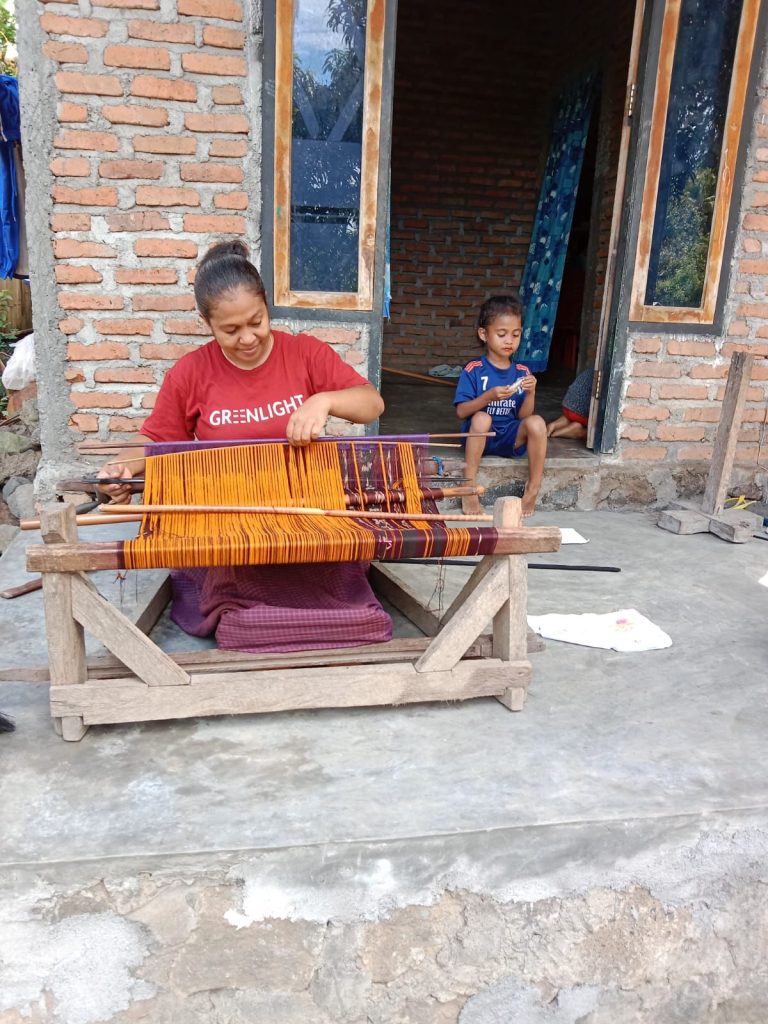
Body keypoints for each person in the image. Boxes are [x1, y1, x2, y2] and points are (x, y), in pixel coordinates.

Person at [98, 239, 389, 652]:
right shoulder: (191, 373)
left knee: (339, 589)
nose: (248, 338)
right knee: (234, 584)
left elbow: (371, 402)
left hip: (307, 512)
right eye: (230, 330)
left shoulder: (305, 354)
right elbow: (158, 441)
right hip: (232, 517)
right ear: (207, 323)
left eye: (257, 321)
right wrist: (121, 468)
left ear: (267, 305)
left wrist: (324, 400)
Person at [454, 294, 547, 517]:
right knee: (482, 417)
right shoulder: (474, 369)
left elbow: (523, 415)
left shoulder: (522, 372)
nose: (509, 341)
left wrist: (531, 392)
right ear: (484, 334)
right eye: (502, 334)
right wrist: (487, 398)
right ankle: (469, 488)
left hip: (508, 436)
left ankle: (532, 490)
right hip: (479, 437)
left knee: (537, 423)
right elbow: (461, 411)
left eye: (515, 335)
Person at [546, 367, 594, 440]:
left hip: (567, 407)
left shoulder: (594, 367)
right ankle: (579, 432)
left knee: (572, 416)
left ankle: (555, 425)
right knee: (601, 435)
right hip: (580, 413)